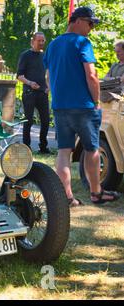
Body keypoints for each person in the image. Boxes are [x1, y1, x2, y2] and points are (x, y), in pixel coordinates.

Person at [43, 6, 120, 206]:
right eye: (90, 23)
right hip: (84, 106)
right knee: (92, 149)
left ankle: (67, 197)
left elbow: (49, 76)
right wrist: (95, 102)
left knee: (64, 151)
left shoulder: (52, 45)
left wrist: (56, 96)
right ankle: (96, 193)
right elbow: (92, 75)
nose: (91, 28)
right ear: (76, 20)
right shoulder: (82, 42)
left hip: (60, 107)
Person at [17, 32, 51, 154]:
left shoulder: (45, 56)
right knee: (29, 121)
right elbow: (19, 76)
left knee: (46, 121)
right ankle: (27, 147)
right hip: (29, 92)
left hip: (43, 93)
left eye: (43, 41)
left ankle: (43, 147)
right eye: (39, 40)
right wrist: (30, 83)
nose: (41, 43)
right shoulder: (25, 55)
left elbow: (48, 73)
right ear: (33, 41)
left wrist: (49, 87)